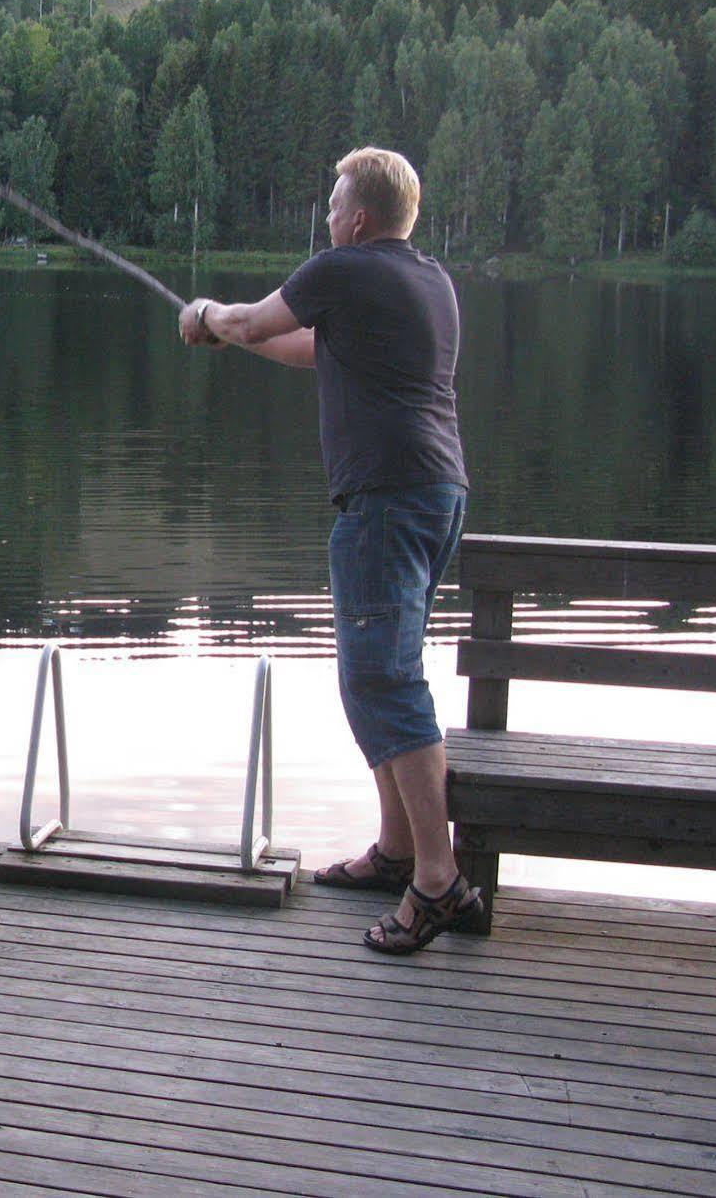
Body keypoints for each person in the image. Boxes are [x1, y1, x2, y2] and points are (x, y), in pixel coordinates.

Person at [178, 147, 478, 954]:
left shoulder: (341, 269)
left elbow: (248, 319)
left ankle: (437, 881)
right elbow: (304, 347)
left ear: (358, 218)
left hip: (385, 500)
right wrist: (233, 336)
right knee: (373, 676)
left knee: (384, 679)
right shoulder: (427, 279)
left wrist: (206, 316)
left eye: (332, 203)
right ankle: (396, 851)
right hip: (434, 494)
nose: (326, 216)